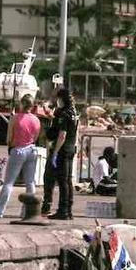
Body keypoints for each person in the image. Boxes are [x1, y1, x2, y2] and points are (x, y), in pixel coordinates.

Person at [0, 94, 40, 218]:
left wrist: (12, 145)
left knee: (9, 182)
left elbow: (8, 138)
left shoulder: (15, 118)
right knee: (30, 182)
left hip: (18, 150)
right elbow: (36, 137)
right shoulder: (36, 120)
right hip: (32, 150)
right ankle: (28, 211)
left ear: (21, 104)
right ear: (32, 106)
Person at [49, 88, 79, 220]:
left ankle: (63, 210)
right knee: (68, 180)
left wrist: (55, 152)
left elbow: (62, 135)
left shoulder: (64, 114)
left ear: (62, 98)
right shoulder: (73, 112)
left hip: (63, 149)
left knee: (63, 181)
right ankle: (68, 209)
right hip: (71, 148)